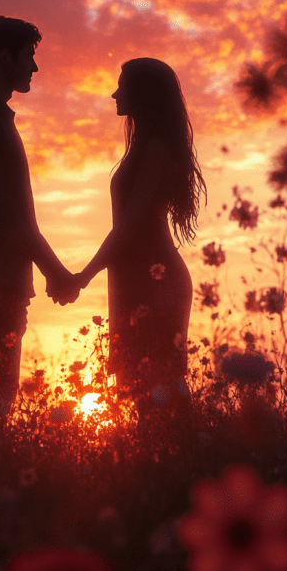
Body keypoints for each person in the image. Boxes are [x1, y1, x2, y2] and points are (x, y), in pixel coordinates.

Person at [49, 58, 207, 420]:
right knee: (143, 393)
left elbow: (129, 228)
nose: (114, 92)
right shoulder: (142, 147)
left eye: (122, 85)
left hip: (156, 279)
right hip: (135, 279)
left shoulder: (154, 151)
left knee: (160, 390)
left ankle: (188, 465)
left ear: (143, 94)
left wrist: (81, 278)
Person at [0, 15, 79, 423]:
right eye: (29, 56)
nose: (34, 68)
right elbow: (7, 218)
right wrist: (57, 271)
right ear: (5, 58)